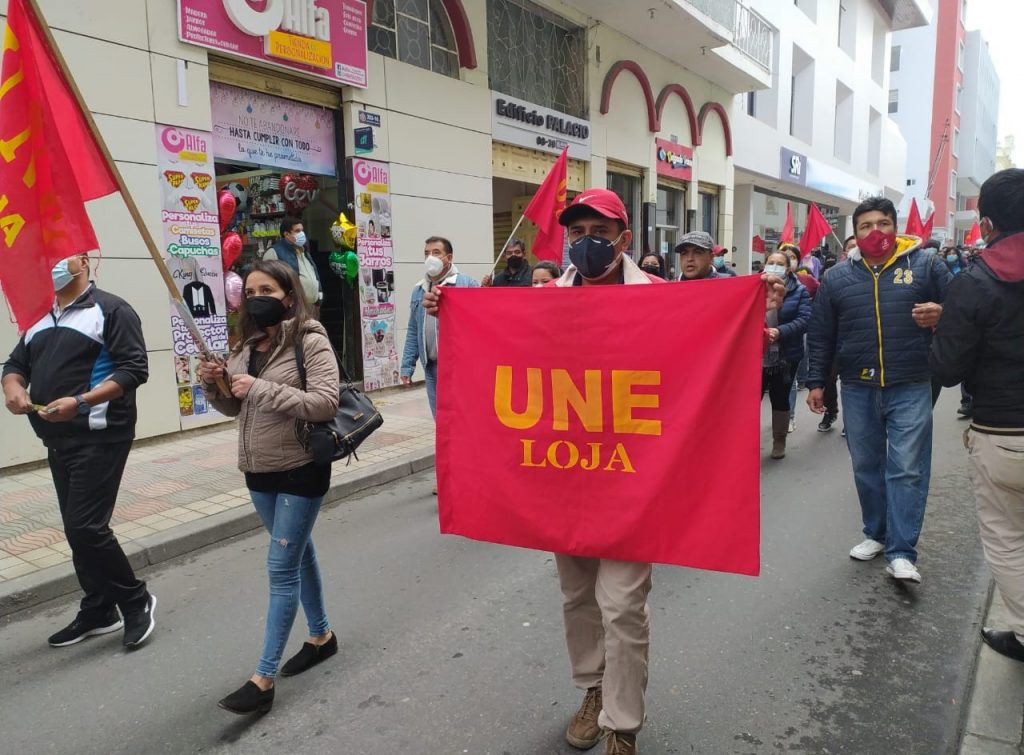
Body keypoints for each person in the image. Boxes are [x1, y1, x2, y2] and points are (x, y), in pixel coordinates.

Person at [422, 188, 785, 755]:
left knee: (621, 606)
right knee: (577, 597)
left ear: (625, 239)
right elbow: (500, 352)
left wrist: (758, 313)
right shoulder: (545, 300)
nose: (586, 242)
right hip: (563, 480)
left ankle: (622, 722)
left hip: (636, 483)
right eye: (576, 232)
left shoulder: (664, 300)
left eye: (599, 230)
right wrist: (454, 314)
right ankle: (590, 689)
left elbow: (721, 351)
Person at [197, 260, 340, 715]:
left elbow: (324, 403)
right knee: (301, 553)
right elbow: (233, 409)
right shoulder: (246, 346)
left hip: (301, 467)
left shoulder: (310, 339)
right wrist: (215, 386)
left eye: (268, 289)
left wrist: (257, 388)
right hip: (258, 471)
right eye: (251, 288)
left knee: (281, 569)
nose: (257, 296)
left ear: (288, 295)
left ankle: (262, 678)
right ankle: (321, 636)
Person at [2, 253, 156, 649]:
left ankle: (136, 599)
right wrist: (14, 389)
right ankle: (99, 608)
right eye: (47, 256)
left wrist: (81, 401)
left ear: (84, 261)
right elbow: (15, 364)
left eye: (60, 256)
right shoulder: (39, 316)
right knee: (77, 530)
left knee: (86, 526)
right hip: (57, 438)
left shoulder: (112, 309)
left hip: (101, 434)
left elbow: (134, 369)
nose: (51, 263)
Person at [806, 196, 953, 583]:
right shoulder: (837, 278)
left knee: (905, 469)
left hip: (912, 383)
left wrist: (944, 314)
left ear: (895, 226)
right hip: (857, 386)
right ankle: (876, 532)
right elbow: (821, 335)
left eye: (883, 224)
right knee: (866, 466)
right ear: (854, 233)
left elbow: (966, 310)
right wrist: (816, 381)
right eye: (867, 226)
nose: (876, 232)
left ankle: (902, 551)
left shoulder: (926, 265)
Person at [929, 168, 1024, 662]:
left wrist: (943, 327)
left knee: (1008, 538)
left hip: (1004, 433)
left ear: (986, 224)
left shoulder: (977, 281)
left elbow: (946, 369)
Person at [400, 236, 480, 418]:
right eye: (427, 253)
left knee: (463, 416)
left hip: (459, 367)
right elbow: (413, 330)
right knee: (440, 419)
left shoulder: (466, 285)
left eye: (436, 253)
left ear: (449, 258)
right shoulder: (419, 289)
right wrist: (407, 366)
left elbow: (478, 326)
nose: (430, 258)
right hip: (431, 367)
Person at [761, 252, 811, 459]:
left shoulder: (799, 291)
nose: (774, 266)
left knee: (780, 397)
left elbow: (805, 319)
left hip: (786, 355)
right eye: (770, 263)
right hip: (757, 355)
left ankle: (779, 440)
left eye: (779, 264)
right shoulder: (753, 287)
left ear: (788, 269)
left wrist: (781, 331)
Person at [263, 217, 322, 308]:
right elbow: (268, 284)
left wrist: (318, 298)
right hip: (292, 308)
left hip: (311, 306)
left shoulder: (303, 251)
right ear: (286, 234)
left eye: (302, 230)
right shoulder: (274, 252)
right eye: (297, 231)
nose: (302, 234)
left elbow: (314, 275)